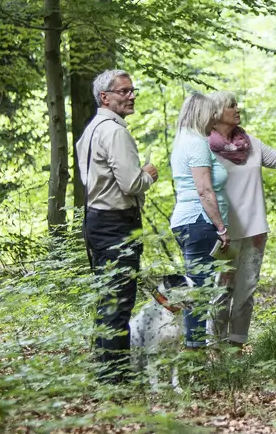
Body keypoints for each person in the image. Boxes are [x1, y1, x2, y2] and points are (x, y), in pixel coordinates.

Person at [75, 69, 160, 383]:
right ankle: (115, 378)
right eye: (123, 91)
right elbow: (131, 183)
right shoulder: (114, 131)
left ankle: (107, 371)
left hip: (97, 221)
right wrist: (149, 173)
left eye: (132, 90)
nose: (131, 95)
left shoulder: (91, 129)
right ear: (104, 97)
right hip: (115, 225)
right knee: (118, 302)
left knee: (108, 298)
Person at [206, 91, 276, 349]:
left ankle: (237, 345)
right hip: (225, 232)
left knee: (246, 291)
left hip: (255, 230)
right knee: (221, 291)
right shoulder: (206, 148)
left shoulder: (251, 143)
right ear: (216, 113)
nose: (237, 109)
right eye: (231, 105)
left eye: (236, 104)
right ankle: (214, 347)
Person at [169, 91, 230, 350]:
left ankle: (195, 349)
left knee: (196, 286)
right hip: (199, 221)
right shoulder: (196, 143)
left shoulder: (182, 139)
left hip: (185, 221)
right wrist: (221, 227)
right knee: (200, 291)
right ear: (201, 114)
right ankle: (196, 353)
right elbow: (204, 190)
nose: (214, 118)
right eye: (211, 113)